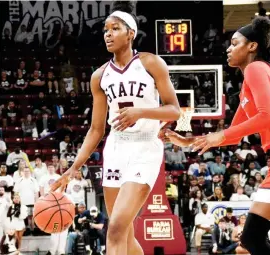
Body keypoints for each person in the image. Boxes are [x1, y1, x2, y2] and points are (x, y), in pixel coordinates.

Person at [163, 16, 270, 255]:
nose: (228, 48)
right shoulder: (248, 83)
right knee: (252, 237)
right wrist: (189, 141)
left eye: (234, 43)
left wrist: (219, 135)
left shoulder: (257, 68)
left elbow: (268, 118)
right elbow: (232, 136)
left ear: (252, 46)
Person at [50, 2, 180, 255]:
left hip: (145, 146)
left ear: (130, 33)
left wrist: (140, 112)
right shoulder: (100, 76)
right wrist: (73, 168)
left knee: (116, 227)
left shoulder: (150, 63)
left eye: (115, 28)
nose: (108, 34)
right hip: (116, 148)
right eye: (105, 30)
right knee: (125, 233)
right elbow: (96, 129)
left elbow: (174, 110)